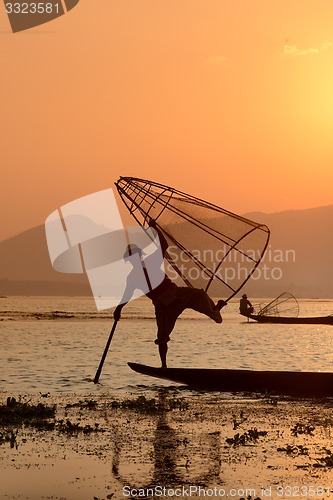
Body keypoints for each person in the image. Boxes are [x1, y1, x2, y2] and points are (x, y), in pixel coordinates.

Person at [114, 218, 227, 368]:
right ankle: (164, 366)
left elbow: (163, 245)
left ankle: (214, 310)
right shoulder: (133, 277)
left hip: (176, 294)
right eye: (131, 259)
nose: (134, 260)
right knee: (162, 337)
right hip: (163, 306)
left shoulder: (150, 261)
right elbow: (127, 296)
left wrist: (154, 229)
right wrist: (118, 309)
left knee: (199, 294)